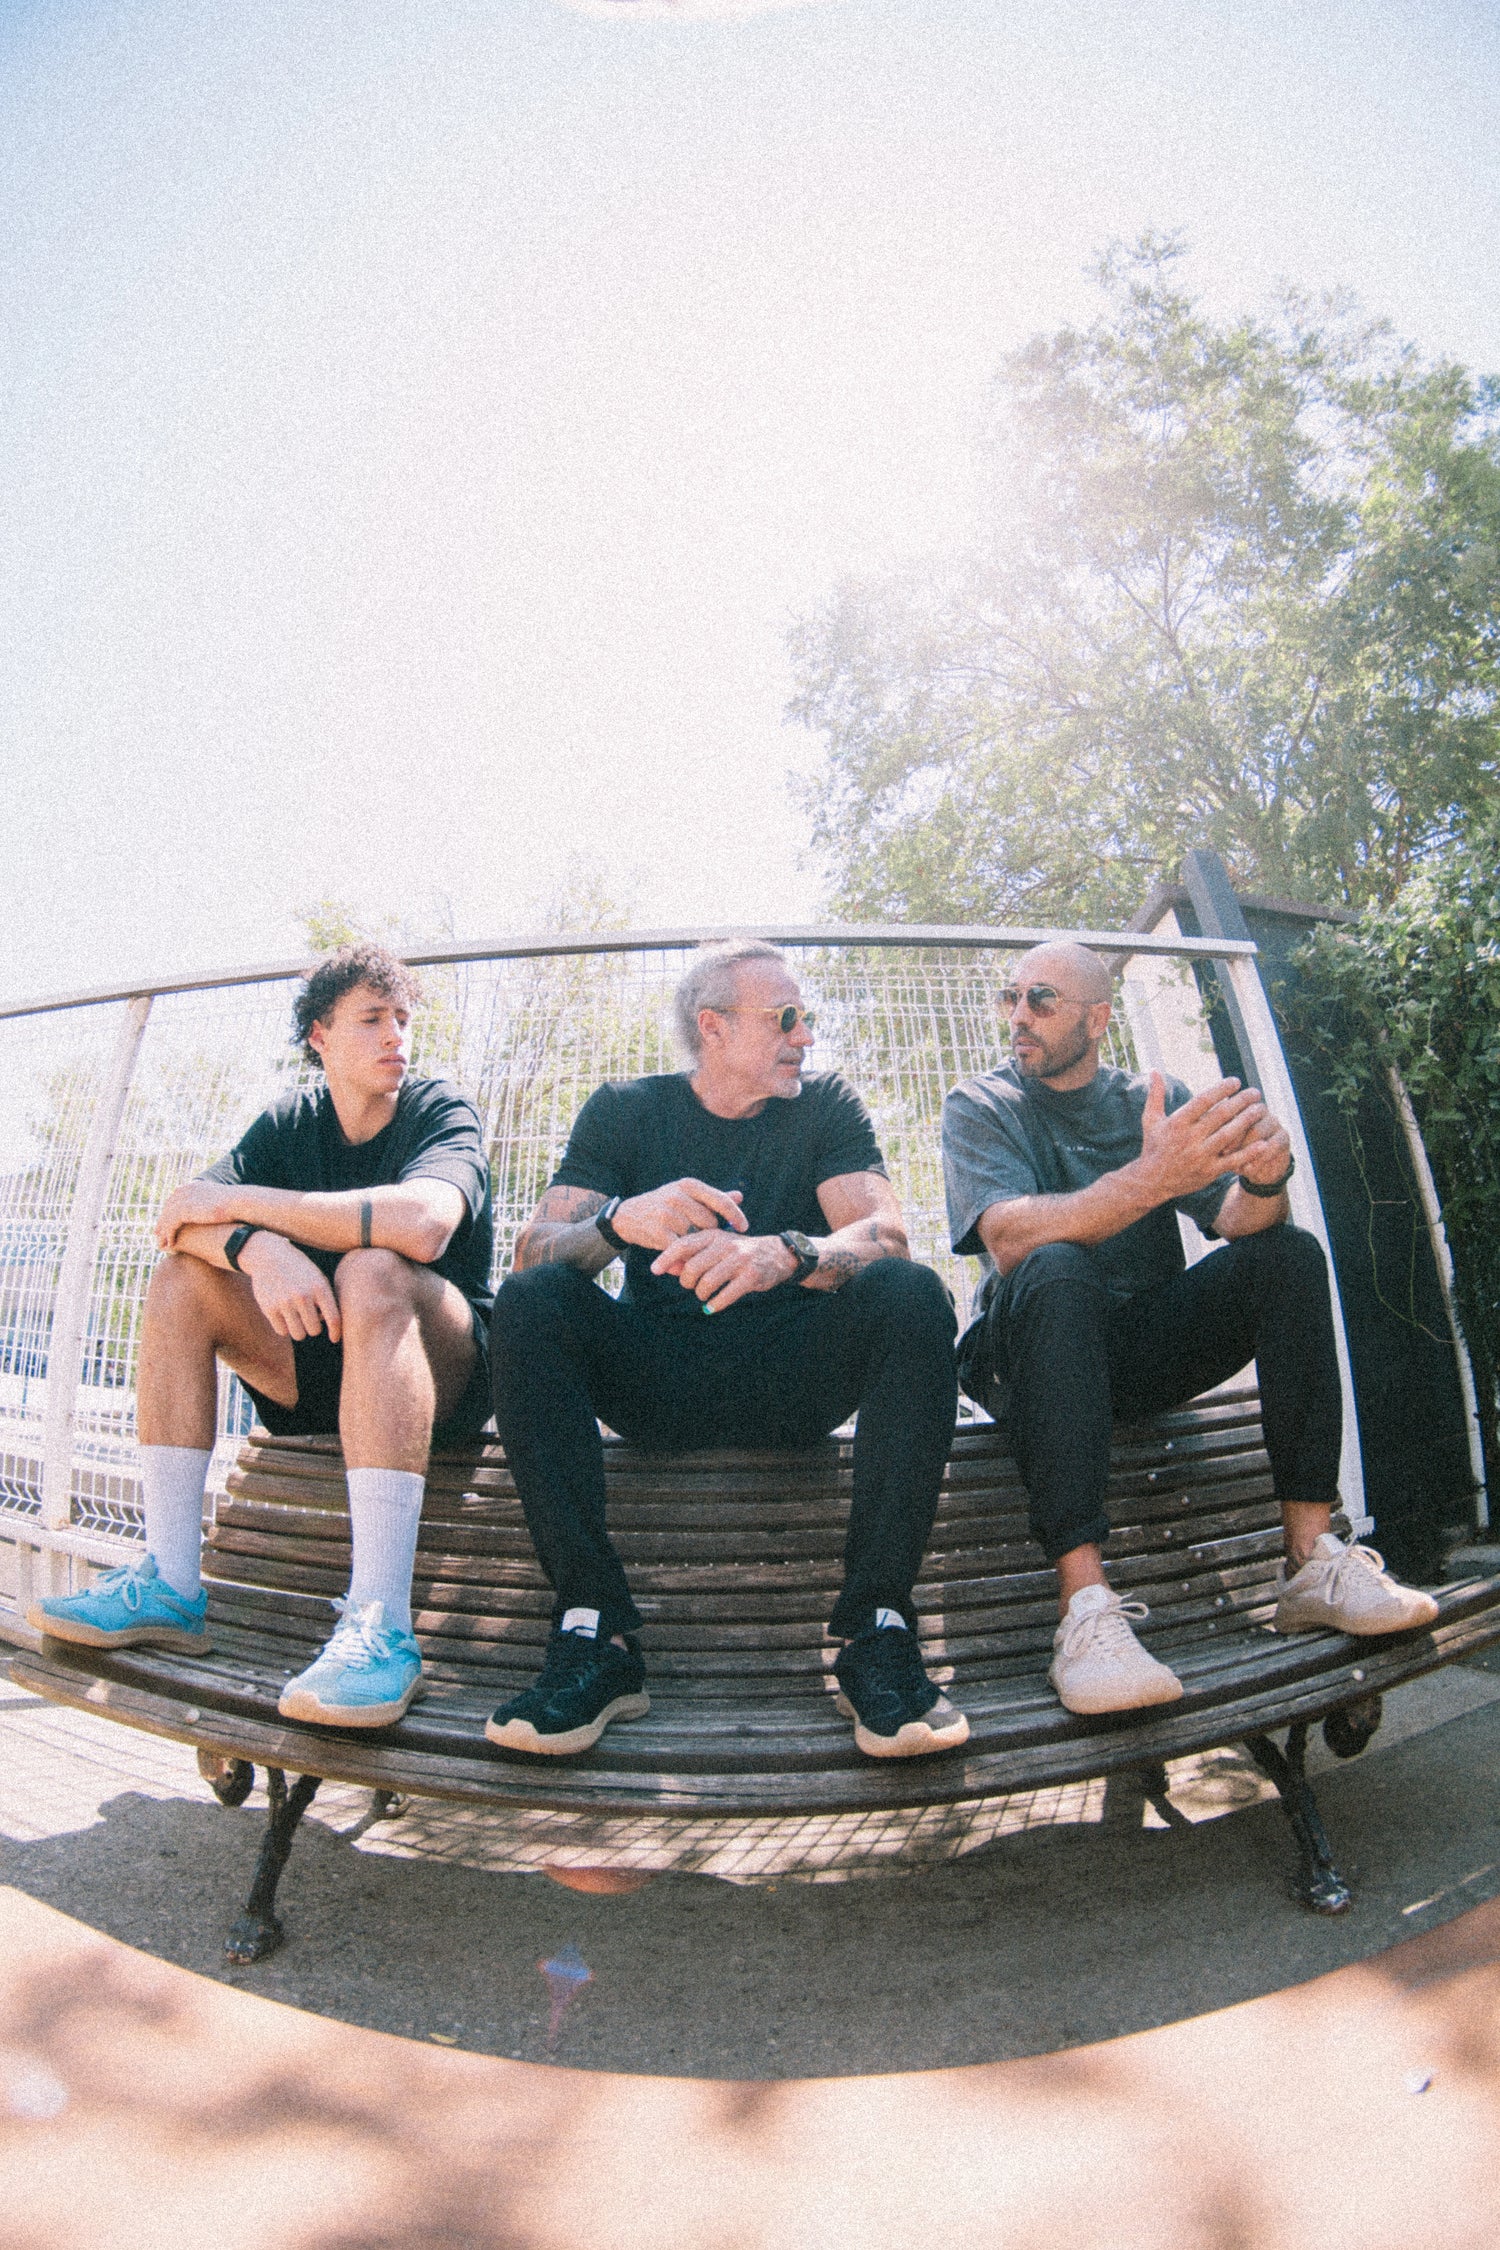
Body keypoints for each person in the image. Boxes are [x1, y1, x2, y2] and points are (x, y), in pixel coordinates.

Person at [487, 938, 968, 1761]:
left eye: (805, 1018)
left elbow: (888, 1234)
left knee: (911, 1294)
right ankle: (594, 1630)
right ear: (712, 1026)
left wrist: (784, 1254)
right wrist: (615, 1224)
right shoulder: (627, 1108)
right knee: (533, 1300)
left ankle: (877, 1630)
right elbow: (535, 1250)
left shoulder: (824, 1107)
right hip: (657, 1382)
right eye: (785, 1018)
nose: (805, 1036)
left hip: (792, 1380)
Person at [941, 940, 1438, 1718]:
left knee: (1289, 1254)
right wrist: (1149, 1180)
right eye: (1010, 998)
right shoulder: (983, 1104)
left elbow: (1241, 1222)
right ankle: (1084, 1612)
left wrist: (1265, 1174)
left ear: (1098, 1019)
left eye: (1040, 1000)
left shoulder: (1151, 1099)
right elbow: (1008, 1239)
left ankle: (1310, 1561)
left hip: (1134, 1354)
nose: (1017, 1018)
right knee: (1055, 1265)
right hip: (1025, 1363)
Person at [32, 943, 495, 1728]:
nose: (397, 1038)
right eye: (372, 1019)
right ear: (319, 1035)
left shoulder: (438, 1106)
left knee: (373, 1268)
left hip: (437, 1375)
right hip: (319, 1368)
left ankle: (381, 1625)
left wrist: (252, 1210)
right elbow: (179, 1216)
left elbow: (422, 1224)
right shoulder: (290, 1121)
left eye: (404, 1019)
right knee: (184, 1280)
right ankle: (172, 1583)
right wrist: (256, 1248)